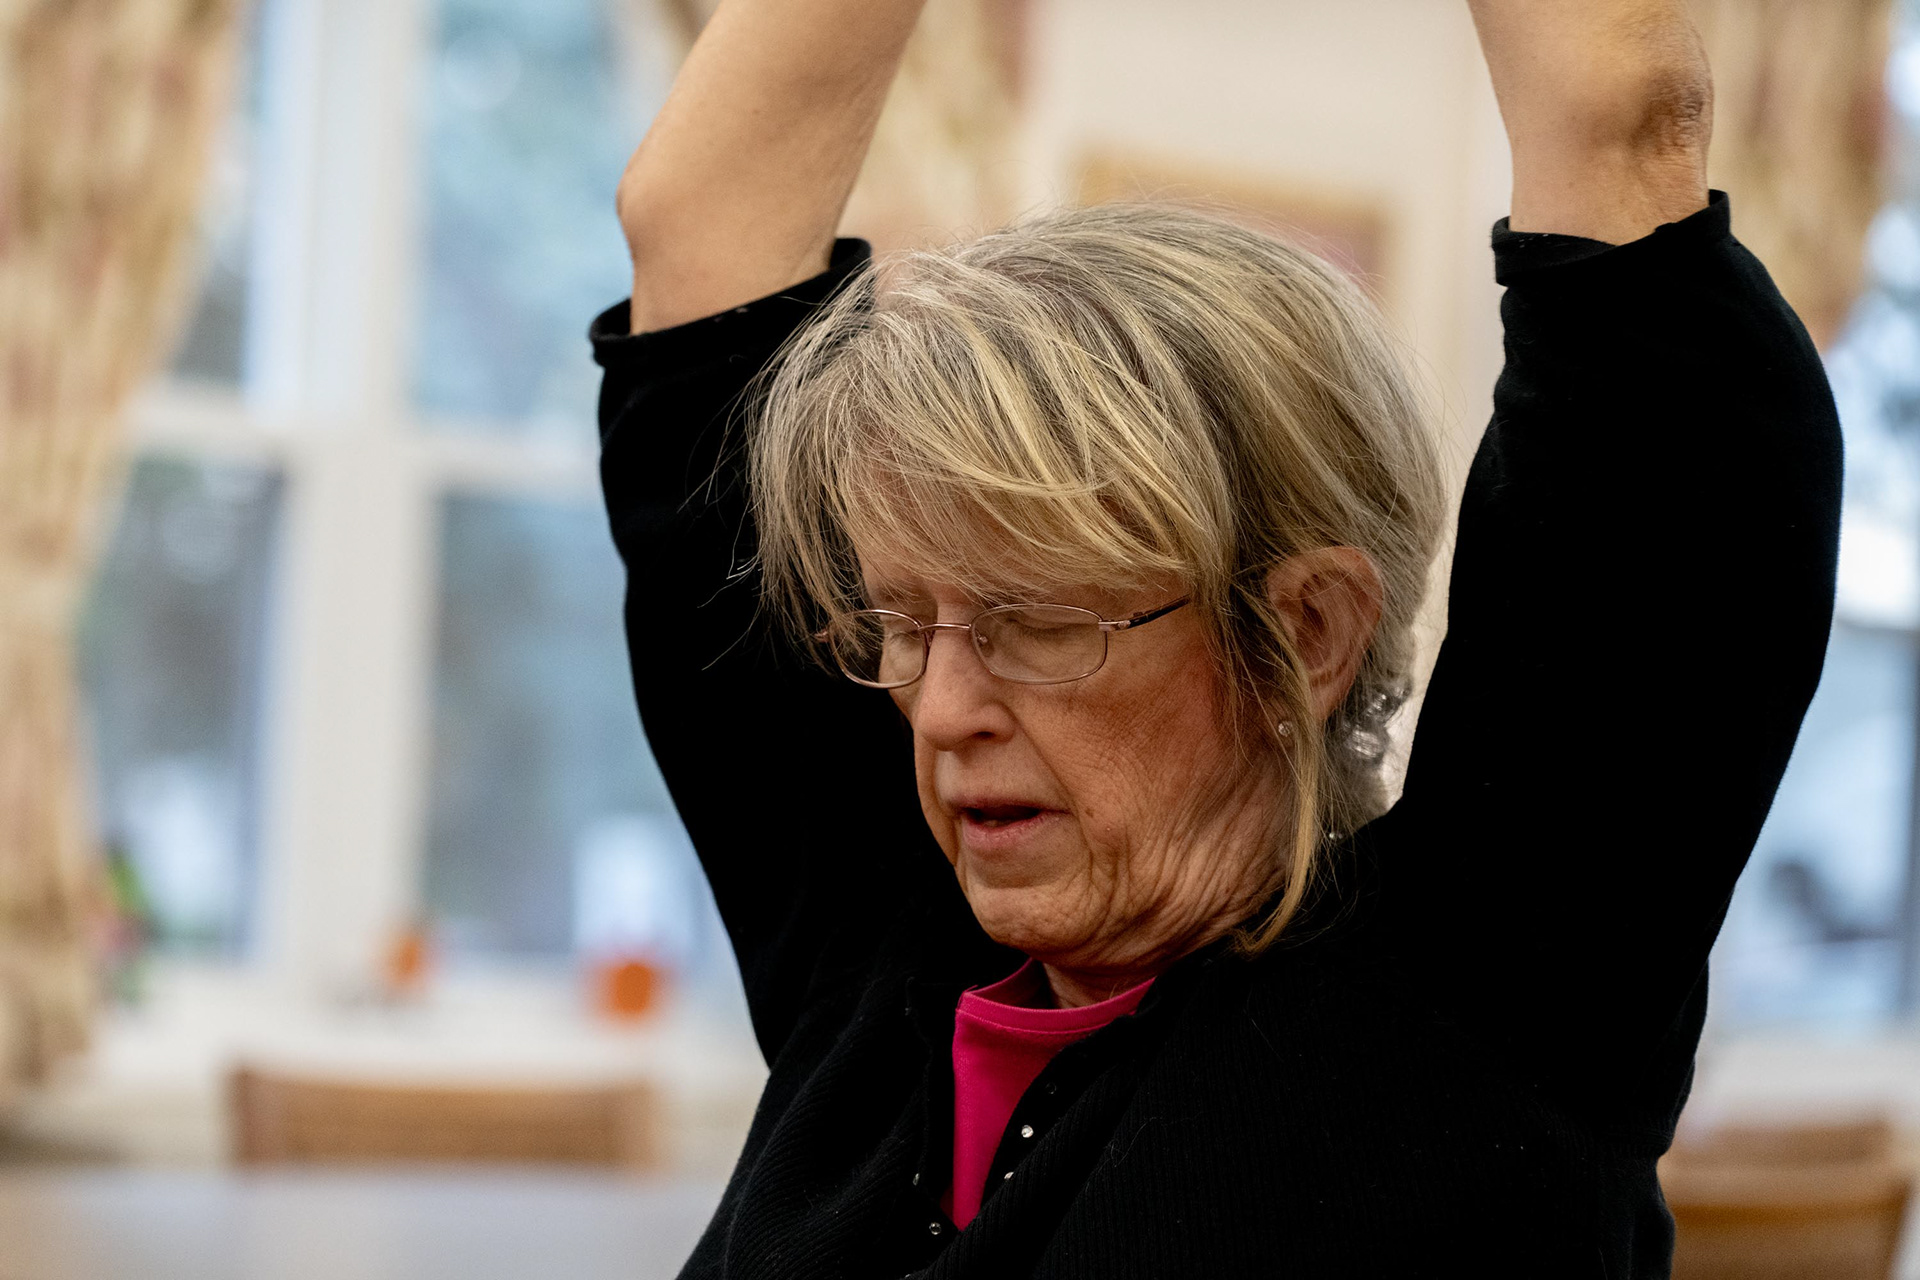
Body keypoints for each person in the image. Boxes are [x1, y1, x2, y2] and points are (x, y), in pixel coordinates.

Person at [590, 0, 1842, 1274]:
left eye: (1036, 621)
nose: (939, 705)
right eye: (900, 623)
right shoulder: (883, 949)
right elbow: (700, 236)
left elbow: (1620, 127)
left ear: (1302, 629)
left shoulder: (1492, 981)